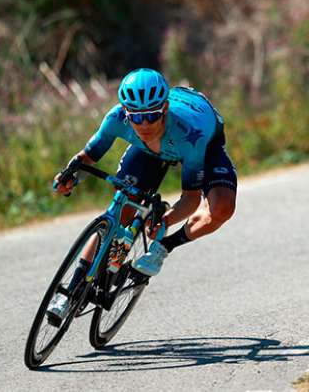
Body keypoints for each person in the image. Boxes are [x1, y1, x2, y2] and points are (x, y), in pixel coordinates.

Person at [46, 68, 237, 324]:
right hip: (149, 151)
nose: (145, 124)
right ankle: (70, 290)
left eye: (152, 115)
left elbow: (191, 198)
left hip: (200, 142)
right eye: (137, 117)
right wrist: (68, 176)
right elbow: (86, 158)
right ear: (126, 113)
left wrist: (166, 222)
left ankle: (163, 248)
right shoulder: (116, 118)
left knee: (223, 207)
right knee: (120, 211)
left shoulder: (191, 135)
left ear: (165, 109)